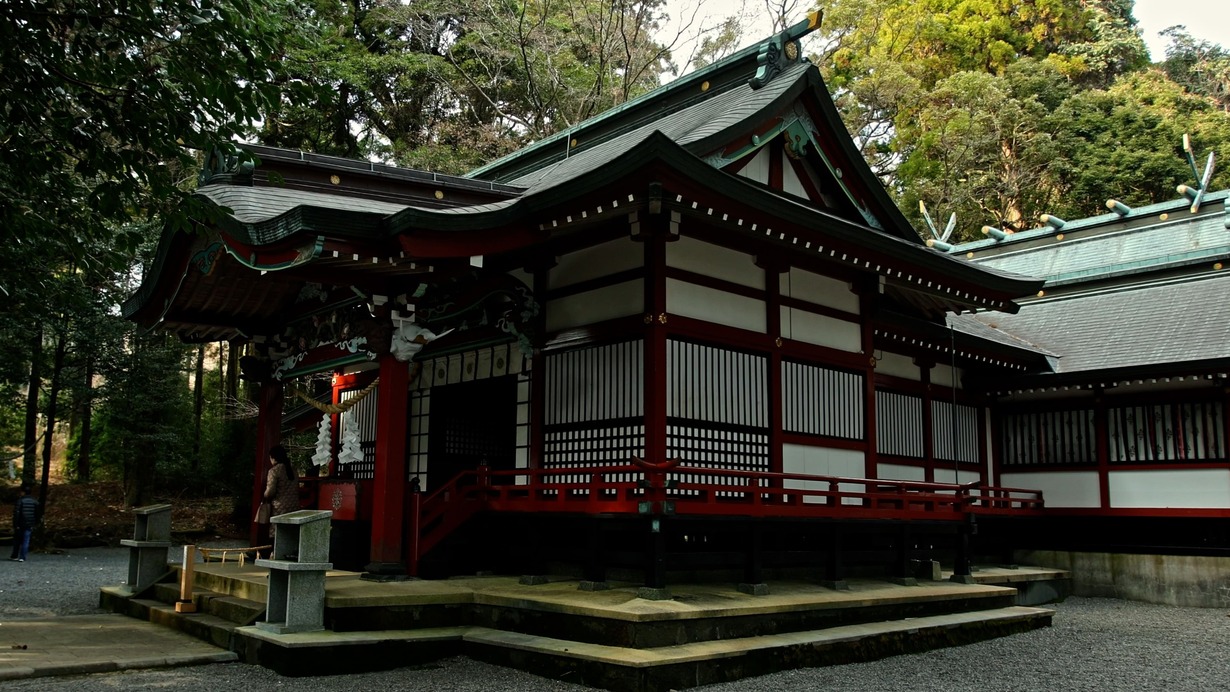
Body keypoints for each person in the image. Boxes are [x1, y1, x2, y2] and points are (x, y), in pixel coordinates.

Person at [263, 445, 299, 537]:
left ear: (273, 458)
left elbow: (270, 491)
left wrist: (264, 495)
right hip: (294, 506)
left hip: (279, 507)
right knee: (290, 532)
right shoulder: (293, 469)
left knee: (277, 531)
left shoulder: (274, 471)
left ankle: (273, 550)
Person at [10, 484, 38, 562]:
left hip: (20, 523)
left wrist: (15, 524)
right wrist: (35, 523)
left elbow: (16, 513)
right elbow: (37, 513)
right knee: (26, 540)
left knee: (17, 540)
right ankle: (22, 557)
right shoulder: (35, 501)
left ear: (23, 492)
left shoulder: (20, 501)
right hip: (29, 523)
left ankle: (14, 555)